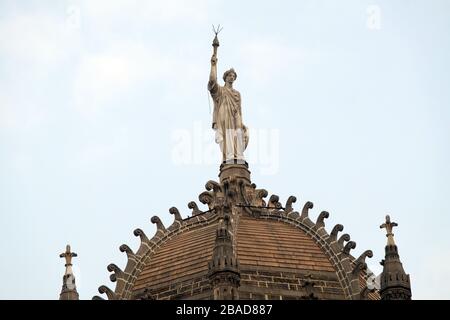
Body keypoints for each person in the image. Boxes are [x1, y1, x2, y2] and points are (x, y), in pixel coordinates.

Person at [208, 54, 249, 163]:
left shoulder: (237, 94)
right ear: (225, 77)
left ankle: (238, 156)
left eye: (233, 76)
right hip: (224, 114)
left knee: (238, 133)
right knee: (227, 135)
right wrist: (213, 66)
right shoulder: (220, 90)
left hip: (236, 116)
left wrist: (241, 122)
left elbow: (240, 110)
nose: (231, 77)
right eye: (230, 75)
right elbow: (212, 83)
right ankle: (229, 156)